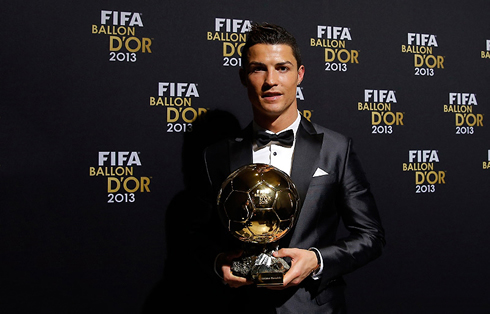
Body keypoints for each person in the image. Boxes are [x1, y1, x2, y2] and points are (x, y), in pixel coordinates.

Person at [200, 23, 385, 313]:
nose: (270, 80)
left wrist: (316, 259)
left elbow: (371, 235)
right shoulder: (217, 156)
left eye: (282, 68)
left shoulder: (337, 148)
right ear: (243, 77)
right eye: (258, 69)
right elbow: (201, 238)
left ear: (299, 75)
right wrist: (217, 263)